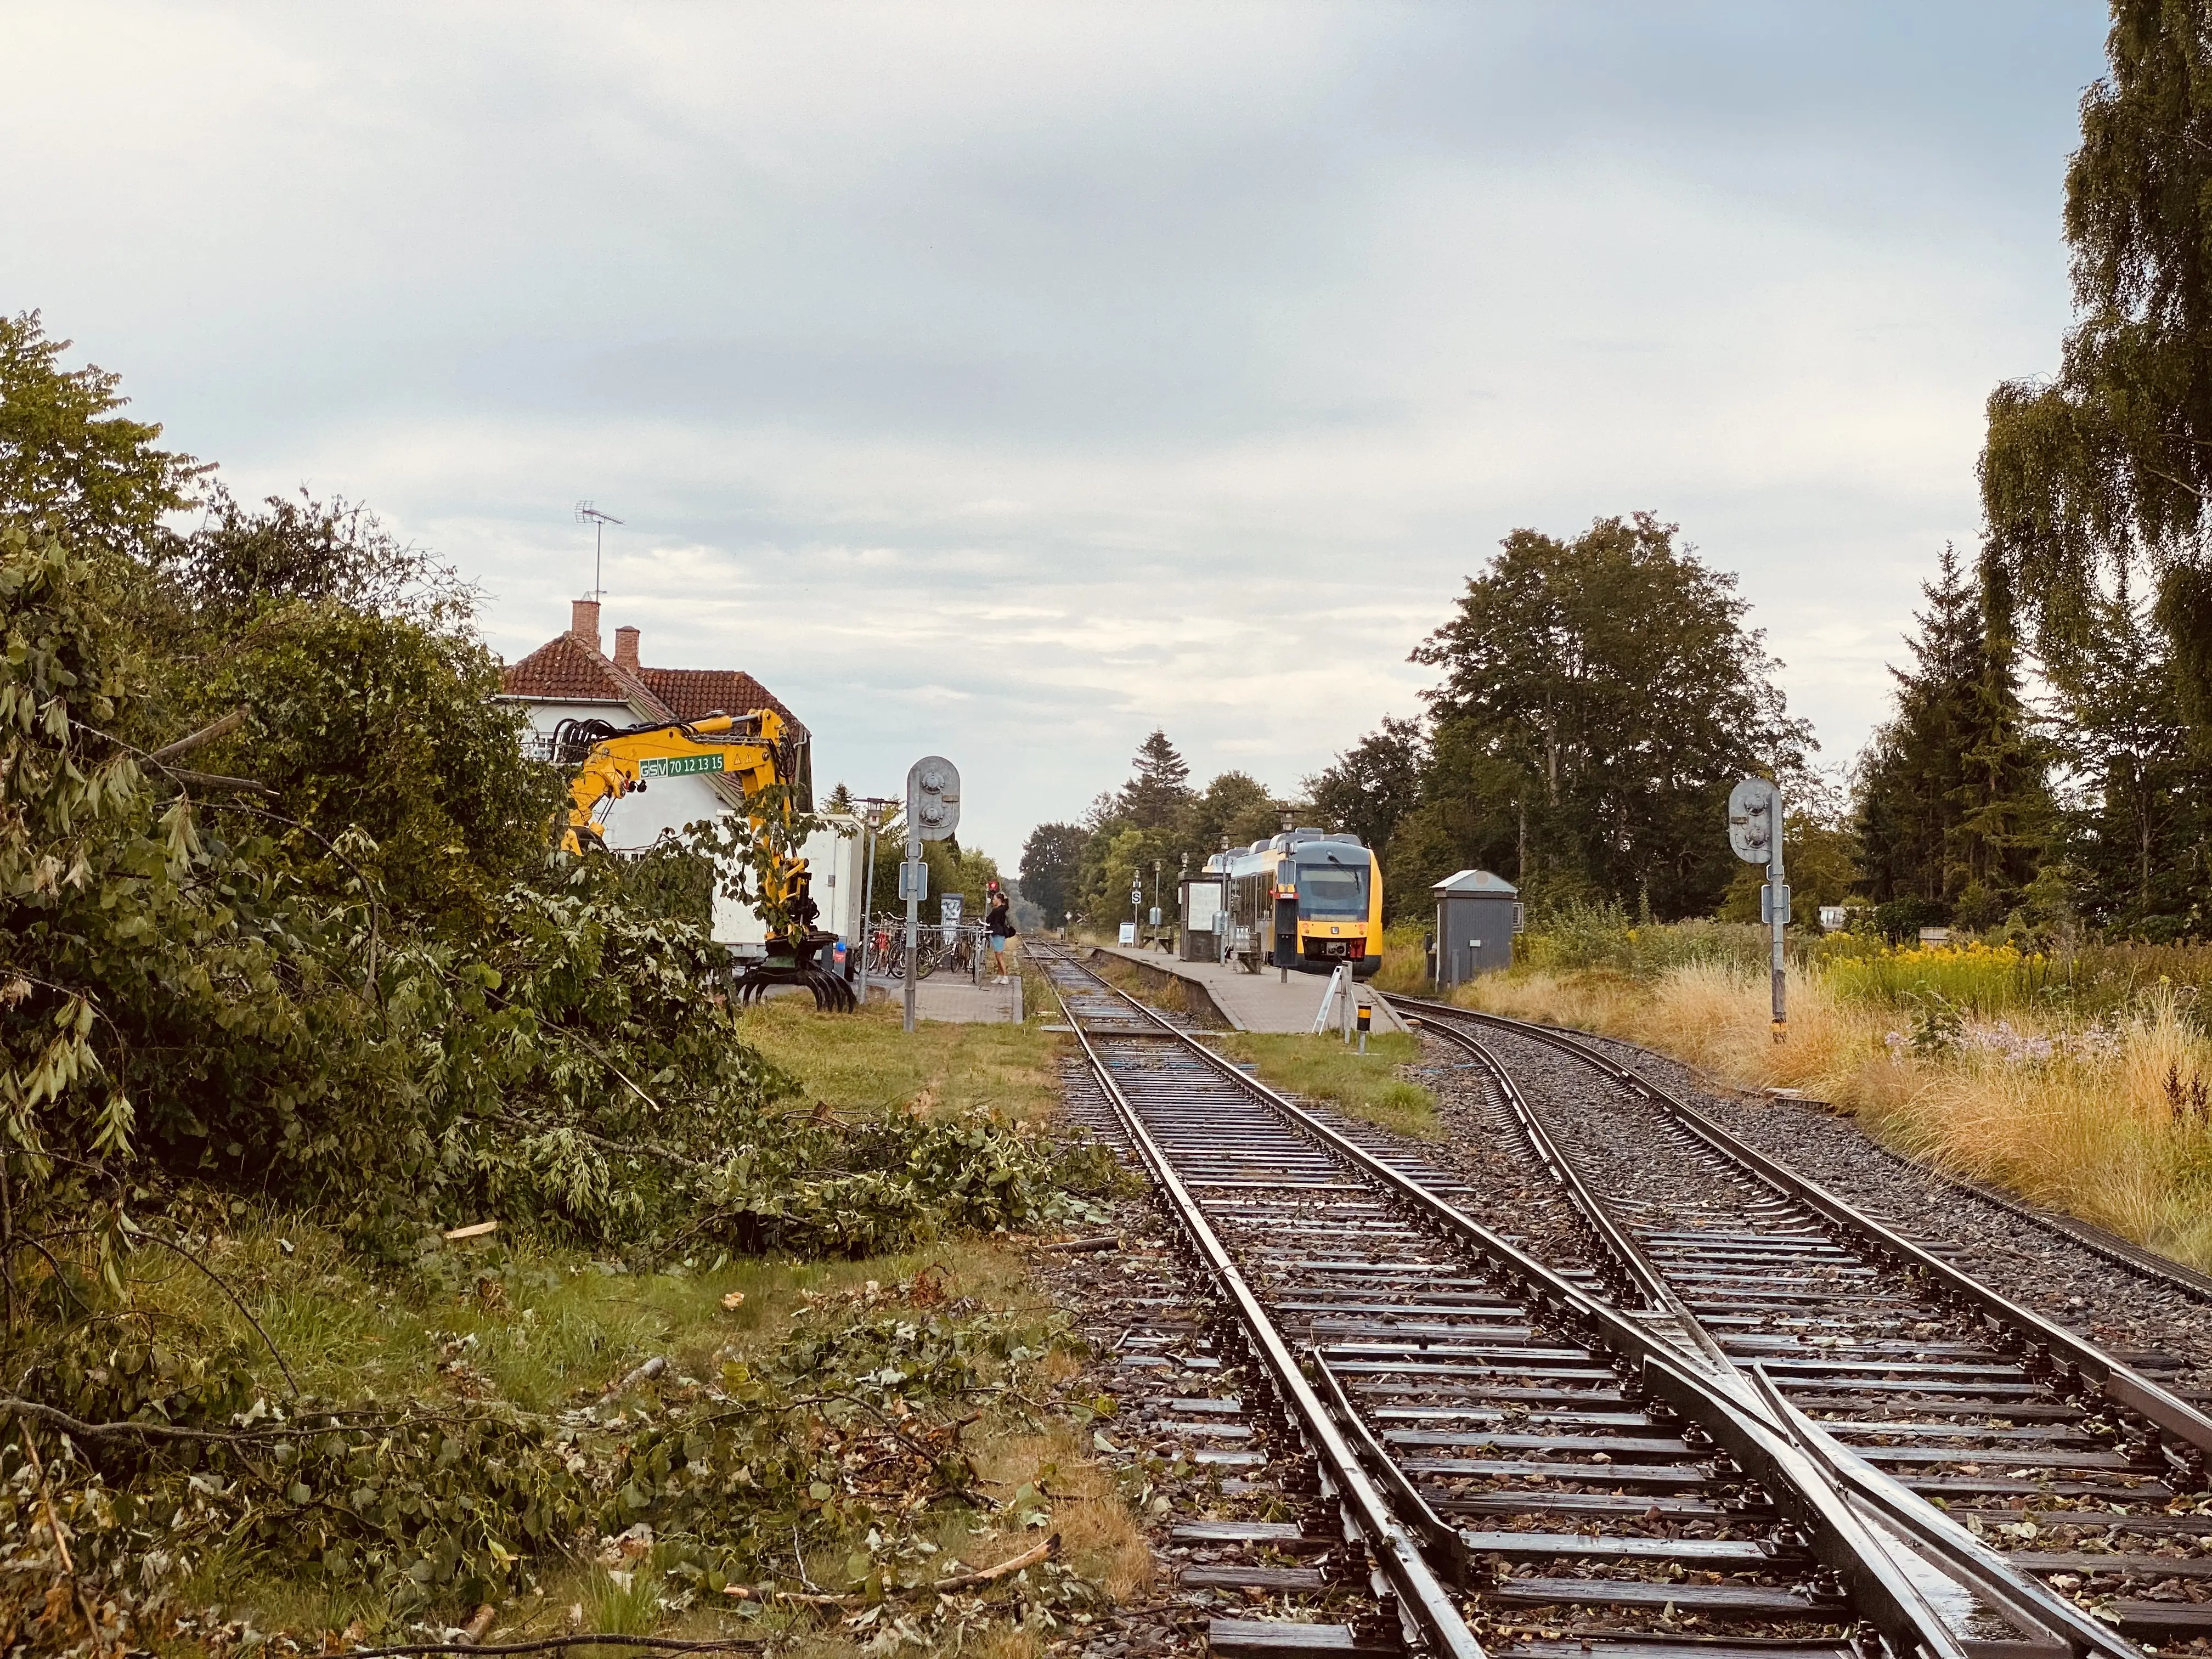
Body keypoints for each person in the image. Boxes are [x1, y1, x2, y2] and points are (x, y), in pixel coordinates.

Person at [986, 886, 1015, 980]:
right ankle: (1000, 976)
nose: (993, 901)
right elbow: (1007, 905)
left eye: (994, 899)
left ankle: (1005, 976)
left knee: (999, 956)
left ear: (999, 900)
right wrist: (1005, 898)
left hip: (998, 934)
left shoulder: (997, 910)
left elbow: (988, 919)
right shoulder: (1003, 909)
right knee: (998, 956)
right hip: (998, 934)